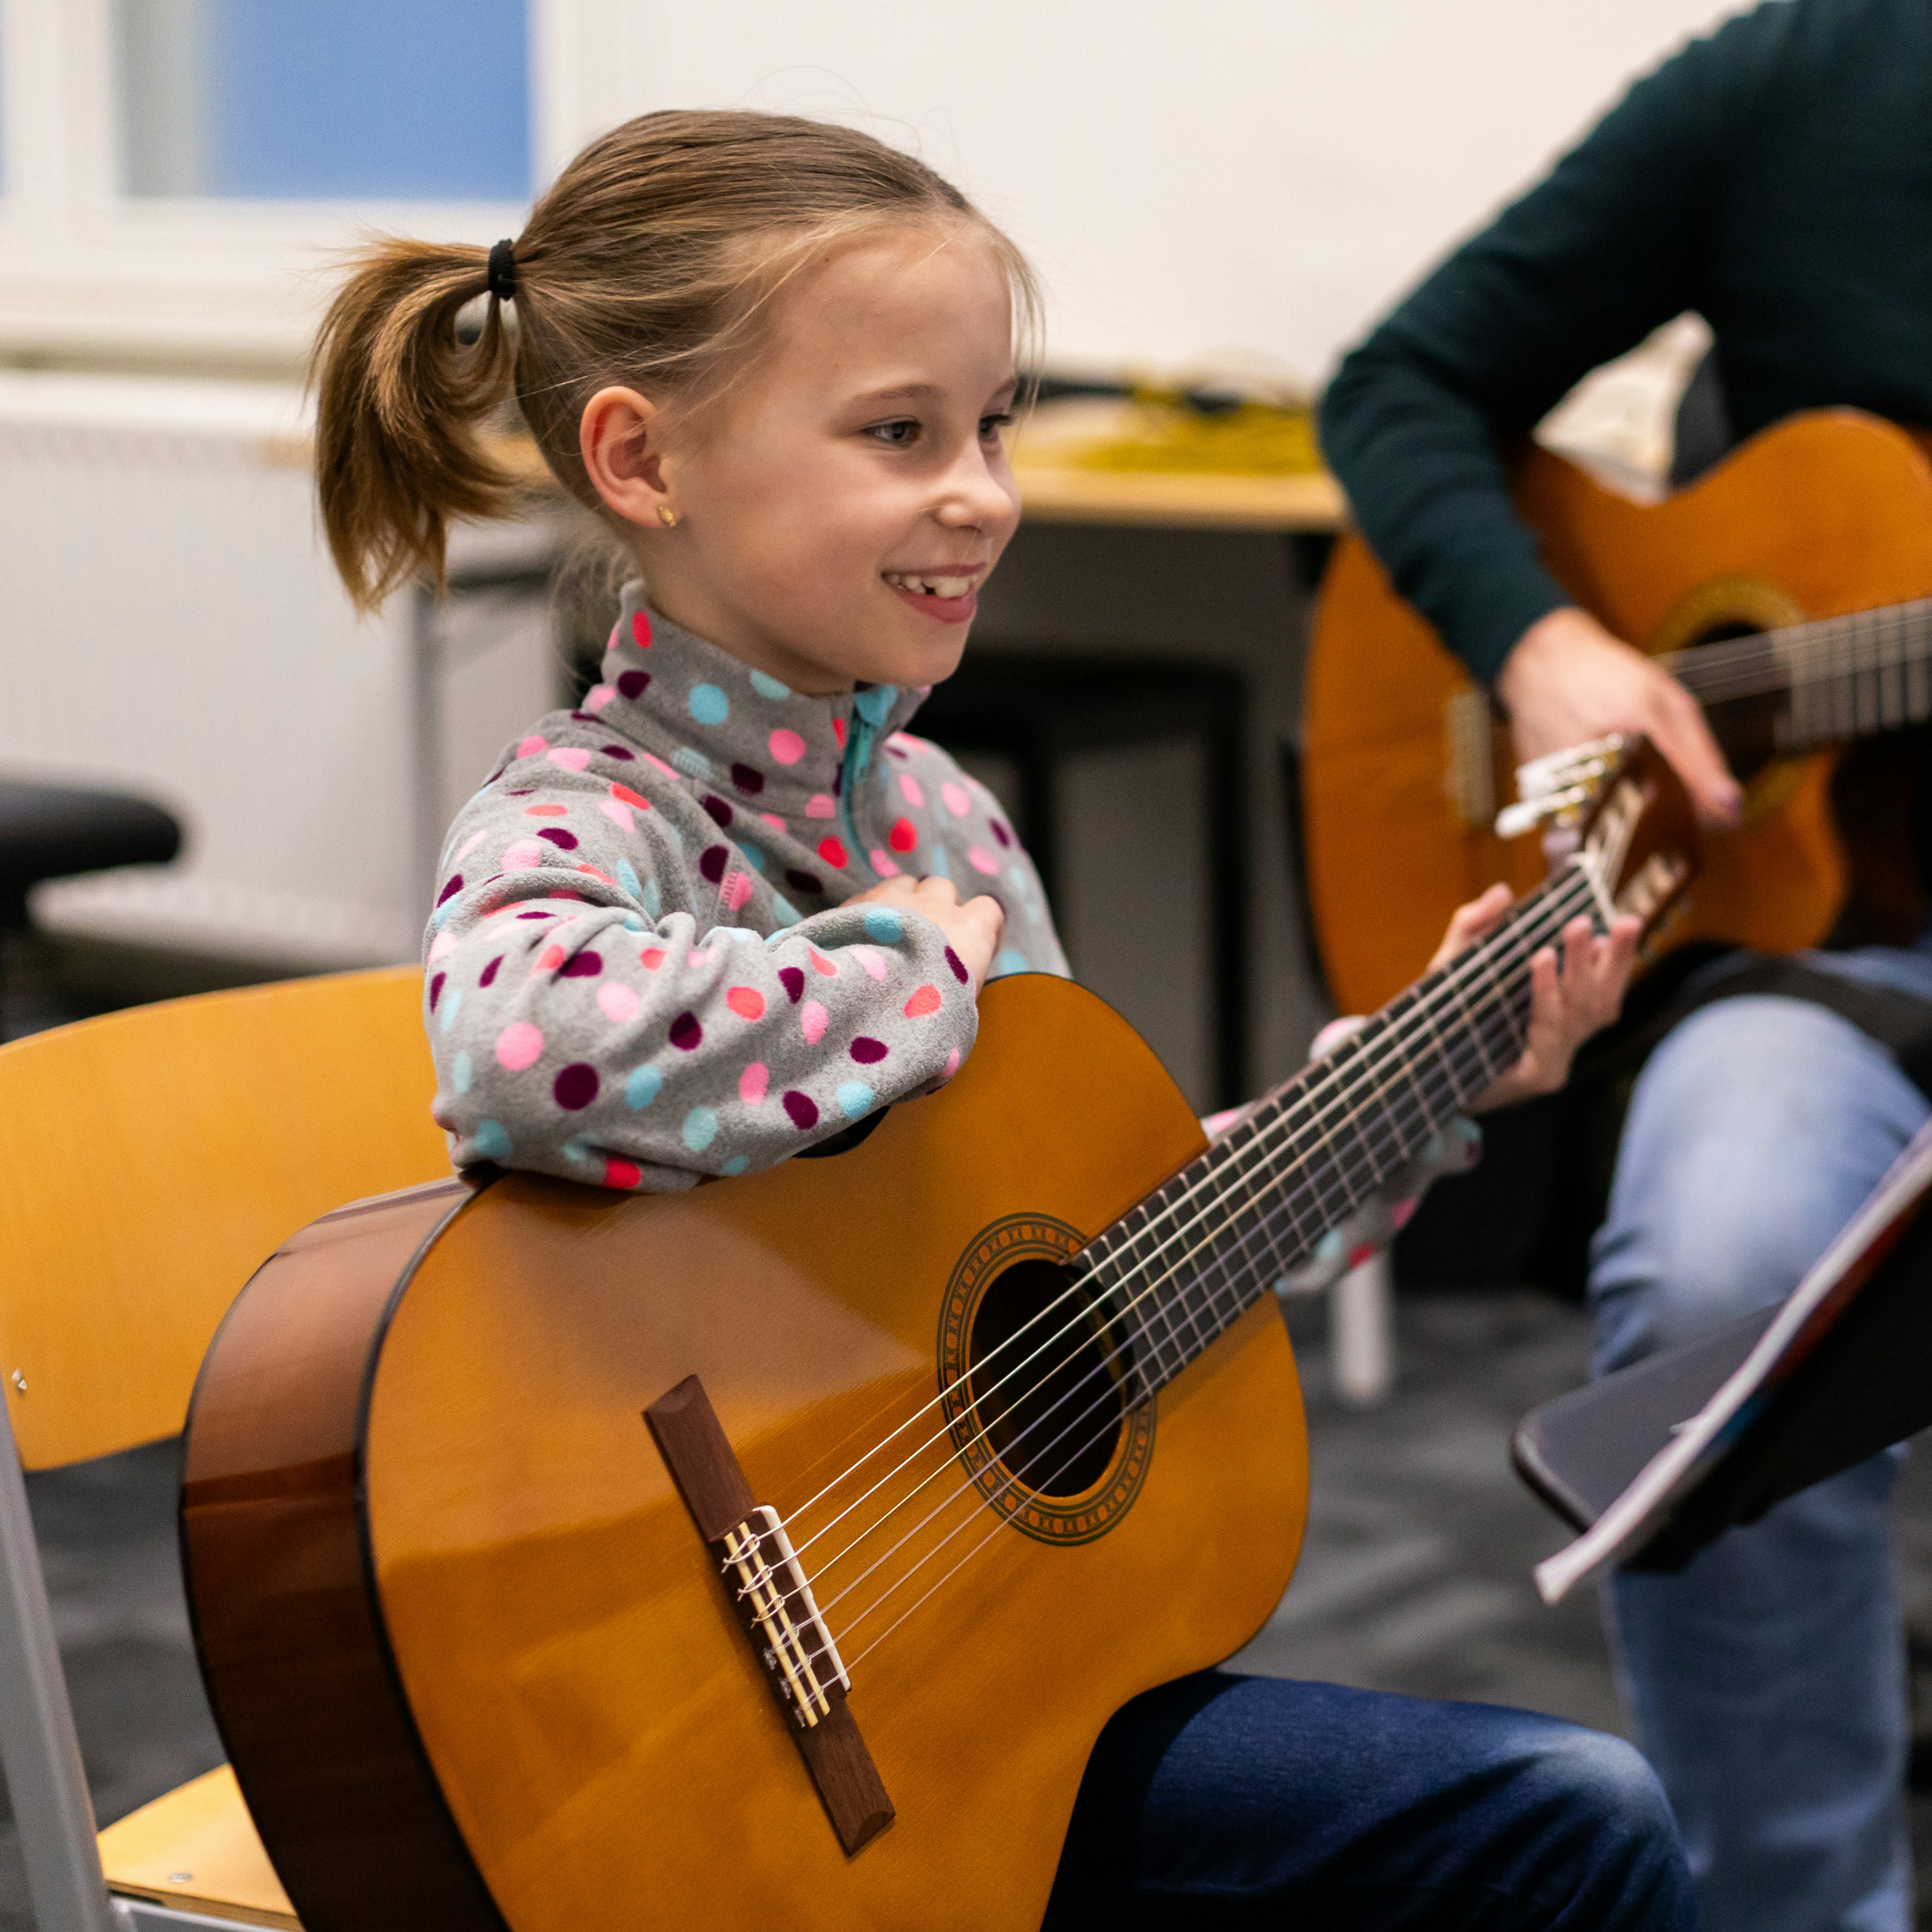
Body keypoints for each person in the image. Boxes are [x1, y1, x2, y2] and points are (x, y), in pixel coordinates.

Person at [313, 108, 1687, 1927]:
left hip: (980, 1666)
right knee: (1563, 1830)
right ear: (642, 461)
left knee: (1571, 1811)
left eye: (992, 427)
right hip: (701, 1734)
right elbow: (517, 1040)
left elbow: (1088, 1249)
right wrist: (903, 976)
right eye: (901, 434)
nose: (984, 491)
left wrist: (1429, 1080)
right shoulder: (596, 811)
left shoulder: (942, 822)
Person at [1319, 3, 1932, 1927]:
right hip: (1841, 952)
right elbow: (1404, 380)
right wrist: (1541, 644)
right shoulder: (1810, 75)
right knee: (1721, 1267)